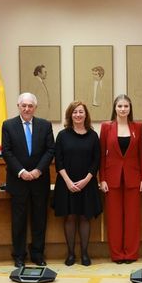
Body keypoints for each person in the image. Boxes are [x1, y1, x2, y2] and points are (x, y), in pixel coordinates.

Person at [1, 92, 54, 267]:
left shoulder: (45, 125)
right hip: (18, 181)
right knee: (19, 221)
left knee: (39, 219)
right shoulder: (8, 125)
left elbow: (50, 150)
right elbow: (6, 151)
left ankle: (38, 254)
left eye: (30, 106)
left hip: (40, 180)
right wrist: (22, 171)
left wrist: (38, 170)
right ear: (18, 106)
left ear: (35, 108)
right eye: (23, 105)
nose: (27, 109)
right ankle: (19, 255)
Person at [52, 101, 101, 266]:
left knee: (85, 217)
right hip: (67, 183)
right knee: (70, 217)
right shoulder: (62, 135)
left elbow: (96, 161)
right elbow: (58, 161)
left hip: (87, 183)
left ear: (86, 115)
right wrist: (68, 182)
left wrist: (86, 180)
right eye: (75, 112)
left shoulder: (93, 136)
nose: (78, 115)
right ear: (70, 115)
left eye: (81, 112)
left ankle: (85, 254)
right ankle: (71, 254)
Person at [99, 95, 142, 263]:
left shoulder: (137, 127)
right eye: (120, 106)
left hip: (133, 178)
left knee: (133, 218)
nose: (123, 109)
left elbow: (141, 154)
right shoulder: (106, 127)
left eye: (126, 106)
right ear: (115, 108)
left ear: (130, 108)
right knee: (114, 218)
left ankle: (131, 254)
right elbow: (102, 155)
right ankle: (117, 254)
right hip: (112, 179)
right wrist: (102, 179)